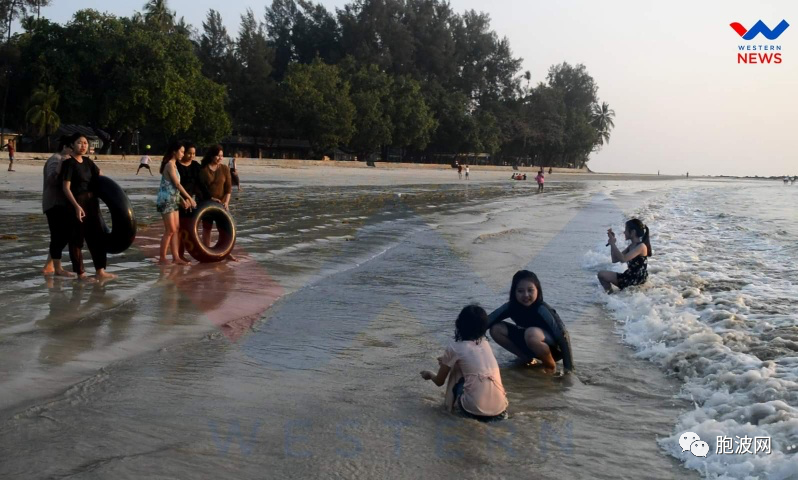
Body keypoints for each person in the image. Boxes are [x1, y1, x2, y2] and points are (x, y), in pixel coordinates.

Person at [421, 305, 508, 421]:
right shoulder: (486, 344)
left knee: (456, 370)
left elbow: (439, 382)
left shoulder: (454, 348)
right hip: (501, 411)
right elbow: (469, 359)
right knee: (462, 367)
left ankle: (447, 410)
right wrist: (447, 361)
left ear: (459, 324)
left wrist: (429, 374)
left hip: (474, 410)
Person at [488, 270, 574, 375]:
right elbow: (488, 320)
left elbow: (563, 336)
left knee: (531, 333)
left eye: (530, 290)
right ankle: (526, 359)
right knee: (496, 329)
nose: (525, 295)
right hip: (529, 343)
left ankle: (550, 366)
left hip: (552, 349)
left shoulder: (542, 309)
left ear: (538, 290)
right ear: (513, 292)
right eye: (520, 291)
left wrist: (569, 370)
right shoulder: (511, 307)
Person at [60, 133, 116, 281]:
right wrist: (77, 207)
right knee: (77, 239)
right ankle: (81, 273)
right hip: (76, 203)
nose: (83, 145)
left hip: (92, 204)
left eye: (85, 143)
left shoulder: (88, 162)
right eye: (79, 143)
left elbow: (100, 175)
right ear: (72, 145)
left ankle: (100, 270)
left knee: (97, 237)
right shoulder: (68, 163)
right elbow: (66, 188)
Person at [156, 141, 196, 265]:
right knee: (170, 230)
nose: (183, 154)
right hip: (166, 200)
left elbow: (174, 187)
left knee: (176, 229)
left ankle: (176, 257)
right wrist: (190, 198)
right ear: (174, 151)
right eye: (182, 151)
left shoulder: (174, 165)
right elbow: (177, 184)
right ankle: (162, 258)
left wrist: (182, 200)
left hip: (174, 200)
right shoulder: (169, 165)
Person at [41, 135, 75, 277]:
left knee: (62, 235)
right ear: (65, 148)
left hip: (62, 203)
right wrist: (61, 166)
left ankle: (49, 266)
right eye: (73, 148)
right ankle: (57, 268)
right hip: (54, 203)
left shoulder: (69, 161)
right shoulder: (56, 159)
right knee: (59, 236)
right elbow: (51, 180)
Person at [597, 218, 652, 293]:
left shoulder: (641, 246)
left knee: (601, 274)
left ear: (633, 232)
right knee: (601, 274)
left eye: (626, 230)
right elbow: (614, 259)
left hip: (636, 280)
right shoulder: (632, 246)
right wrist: (612, 243)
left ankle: (611, 296)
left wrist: (612, 243)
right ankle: (610, 296)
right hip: (628, 276)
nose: (624, 232)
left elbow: (623, 259)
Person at [198, 144, 232, 247]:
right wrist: (209, 199)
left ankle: (225, 251)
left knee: (223, 228)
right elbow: (200, 189)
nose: (220, 158)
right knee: (207, 227)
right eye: (218, 155)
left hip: (221, 205)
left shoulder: (225, 169)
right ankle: (206, 249)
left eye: (222, 155)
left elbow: (228, 189)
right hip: (207, 204)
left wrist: (226, 202)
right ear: (212, 156)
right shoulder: (203, 170)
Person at [176, 142, 204, 262]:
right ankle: (178, 255)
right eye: (189, 153)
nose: (192, 156)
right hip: (177, 200)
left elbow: (200, 185)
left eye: (194, 154)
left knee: (186, 229)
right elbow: (173, 185)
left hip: (190, 201)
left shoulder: (196, 166)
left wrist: (207, 198)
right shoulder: (176, 165)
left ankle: (182, 254)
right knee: (177, 229)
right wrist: (182, 200)